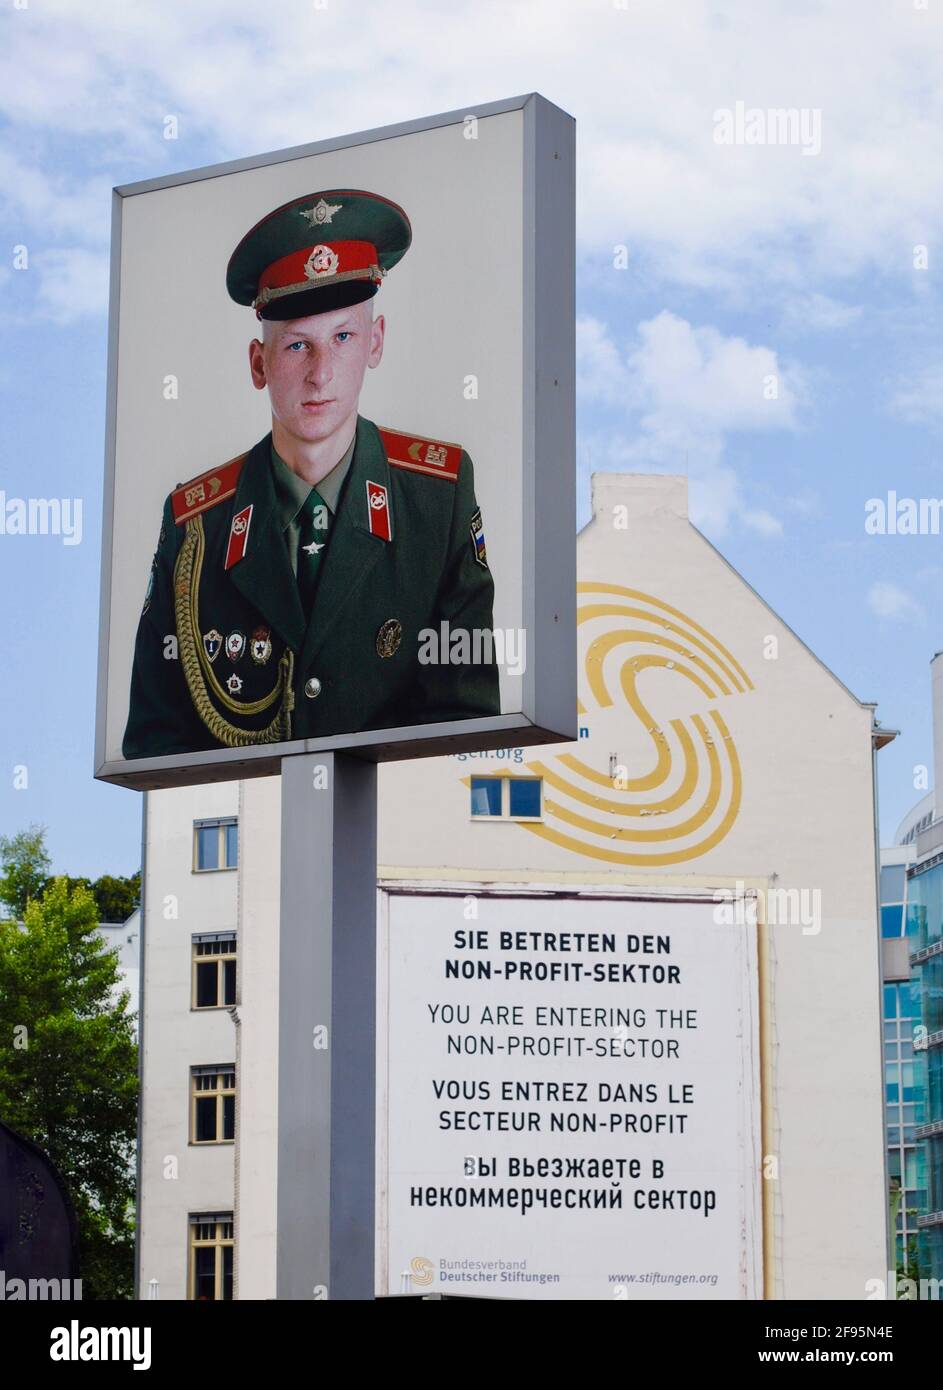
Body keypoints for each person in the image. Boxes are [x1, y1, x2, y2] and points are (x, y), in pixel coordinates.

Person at [122, 188, 499, 758]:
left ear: (375, 343)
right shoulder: (195, 524)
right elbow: (155, 746)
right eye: (298, 346)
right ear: (259, 363)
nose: (321, 374)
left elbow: (464, 730)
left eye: (342, 338)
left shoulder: (437, 499)